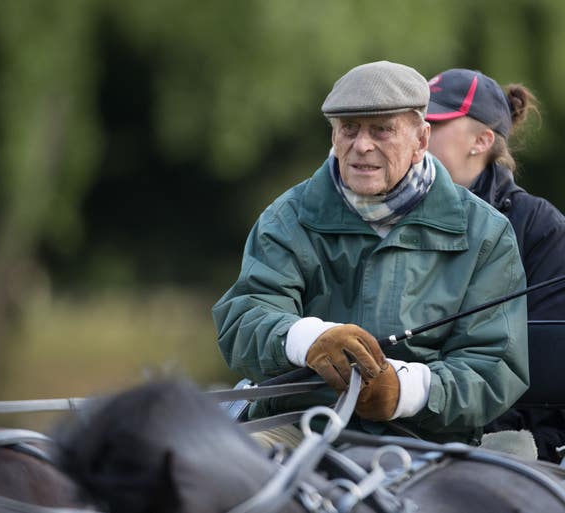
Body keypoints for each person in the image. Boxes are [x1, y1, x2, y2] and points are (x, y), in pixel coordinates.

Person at [212, 60, 529, 446]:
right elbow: (244, 318)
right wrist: (309, 339)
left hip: (430, 445)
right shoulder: (288, 217)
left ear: (421, 141)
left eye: (381, 130)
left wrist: (405, 392)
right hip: (298, 428)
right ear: (334, 136)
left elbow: (493, 367)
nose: (362, 145)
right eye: (349, 129)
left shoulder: (486, 233)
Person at [425, 68, 565, 461]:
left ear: (482, 140)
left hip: (506, 431)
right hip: (398, 416)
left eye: (433, 122)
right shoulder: (387, 212)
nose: (417, 132)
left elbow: (540, 365)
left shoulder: (541, 227)